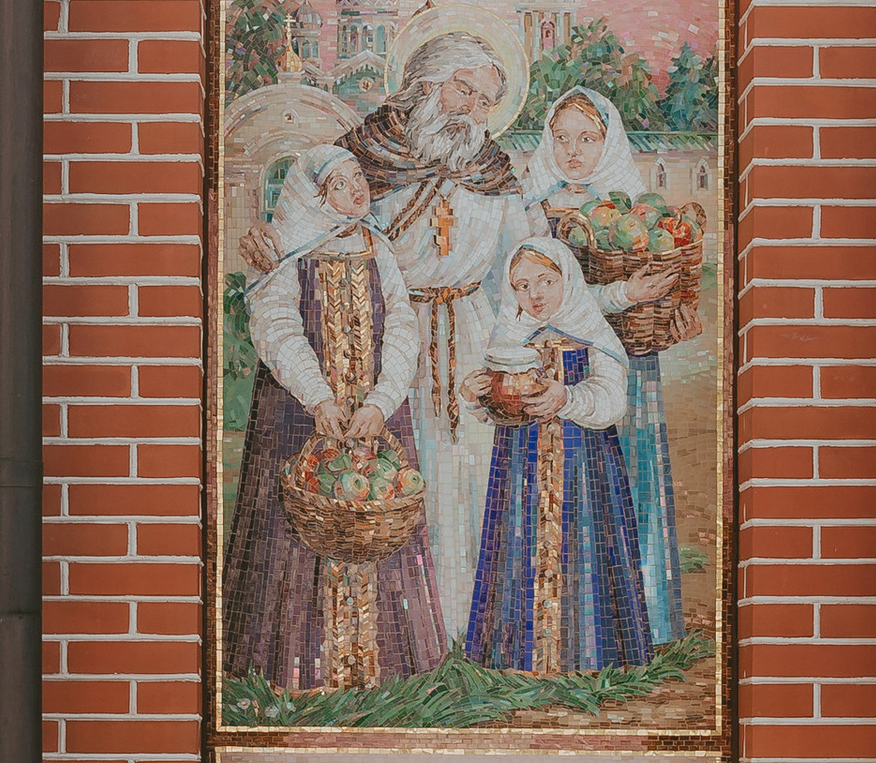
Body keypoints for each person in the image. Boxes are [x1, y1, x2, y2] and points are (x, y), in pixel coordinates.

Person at [238, 33, 536, 629]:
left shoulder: (496, 174)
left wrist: (518, 347)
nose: (473, 111)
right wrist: (264, 243)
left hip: (472, 332)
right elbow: (306, 232)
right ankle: (402, 630)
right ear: (425, 83)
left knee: (470, 470)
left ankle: (471, 627)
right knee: (381, 474)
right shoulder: (364, 157)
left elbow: (522, 265)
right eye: (464, 91)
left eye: (485, 102)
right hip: (372, 341)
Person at [222, 146, 444, 691]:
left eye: (357, 179)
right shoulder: (287, 250)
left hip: (374, 416)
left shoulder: (376, 245)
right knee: (294, 520)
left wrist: (381, 401)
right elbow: (276, 326)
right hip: (300, 414)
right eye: (339, 185)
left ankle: (389, 671)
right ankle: (295, 669)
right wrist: (319, 398)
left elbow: (403, 326)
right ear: (313, 196)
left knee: (382, 514)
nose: (356, 191)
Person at [520, 86, 692, 644]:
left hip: (629, 360)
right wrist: (623, 294)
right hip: (559, 368)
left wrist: (668, 307)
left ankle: (641, 617)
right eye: (561, 138)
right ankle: (566, 622)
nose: (573, 151)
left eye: (587, 138)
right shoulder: (533, 209)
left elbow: (665, 284)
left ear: (609, 140)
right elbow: (543, 298)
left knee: (632, 473)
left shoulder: (631, 208)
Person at [460, 237, 653, 675]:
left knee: (586, 545)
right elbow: (497, 411)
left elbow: (612, 401)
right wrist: (476, 396)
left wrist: (568, 397)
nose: (536, 294)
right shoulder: (509, 333)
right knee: (517, 544)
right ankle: (515, 655)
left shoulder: (590, 327)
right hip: (520, 465)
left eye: (546, 281)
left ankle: (589, 656)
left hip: (585, 463)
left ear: (567, 278)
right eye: (523, 285)